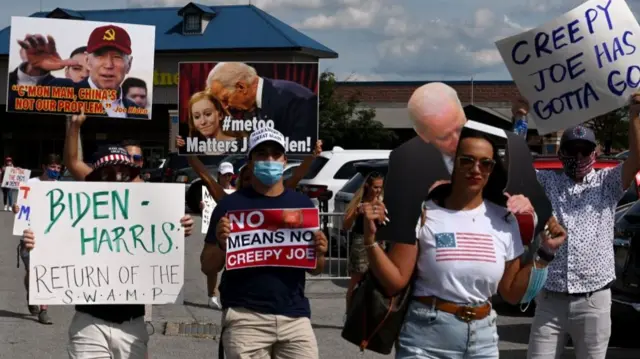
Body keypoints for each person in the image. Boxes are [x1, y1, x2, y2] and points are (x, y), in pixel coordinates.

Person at [362, 128, 568, 358]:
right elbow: (395, 282)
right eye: (467, 160)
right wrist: (370, 241)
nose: (476, 169)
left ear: (492, 169)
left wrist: (545, 252)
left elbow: (511, 293)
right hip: (426, 340)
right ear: (452, 163)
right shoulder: (424, 214)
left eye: (485, 163)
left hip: (482, 341)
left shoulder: (505, 221)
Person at [21, 144, 194, 359]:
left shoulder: (148, 209)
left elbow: (162, 236)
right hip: (89, 324)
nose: (116, 179)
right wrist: (35, 242)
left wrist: (179, 228)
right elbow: (55, 241)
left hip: (132, 325)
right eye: (108, 174)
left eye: (123, 174)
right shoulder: (80, 214)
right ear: (96, 179)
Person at [512, 95, 640, 359]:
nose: (579, 156)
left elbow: (637, 157)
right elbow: (517, 168)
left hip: (594, 301)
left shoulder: (608, 183)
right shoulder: (548, 182)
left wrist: (636, 114)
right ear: (561, 154)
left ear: (594, 152)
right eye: (572, 150)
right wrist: (520, 121)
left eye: (585, 149)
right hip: (550, 299)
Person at [201, 127, 328, 358]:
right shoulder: (230, 206)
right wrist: (221, 244)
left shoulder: (302, 205)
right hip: (245, 319)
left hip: (295, 317)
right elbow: (207, 267)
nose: (269, 160)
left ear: (284, 160)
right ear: (250, 162)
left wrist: (320, 253)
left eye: (275, 154)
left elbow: (316, 269)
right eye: (261, 154)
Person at [378, 82, 545, 247]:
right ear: (423, 135)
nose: (457, 140)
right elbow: (397, 226)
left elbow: (508, 180)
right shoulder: (406, 163)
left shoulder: (480, 145)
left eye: (459, 128)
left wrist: (520, 118)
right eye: (444, 137)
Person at [13, 25, 146, 118]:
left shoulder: (137, 112)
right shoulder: (62, 91)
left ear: (129, 64)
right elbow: (18, 105)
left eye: (117, 57)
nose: (109, 65)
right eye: (100, 56)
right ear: (88, 61)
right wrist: (34, 71)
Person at [207, 62, 317, 144]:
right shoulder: (248, 107)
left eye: (225, 99)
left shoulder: (296, 100)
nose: (225, 106)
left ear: (241, 87)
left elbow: (301, 151)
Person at [12, 153, 62, 324]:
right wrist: (16, 208)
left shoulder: (60, 187)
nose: (55, 170)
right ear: (44, 167)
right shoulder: (31, 184)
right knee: (32, 272)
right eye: (52, 167)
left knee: (44, 271)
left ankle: (43, 310)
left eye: (58, 168)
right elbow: (21, 207)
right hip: (29, 236)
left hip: (49, 237)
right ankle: (31, 295)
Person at [342, 171, 385, 309]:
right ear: (367, 186)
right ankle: (349, 314)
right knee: (355, 281)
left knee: (378, 281)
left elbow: (385, 224)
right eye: (375, 187)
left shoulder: (382, 202)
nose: (378, 191)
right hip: (360, 243)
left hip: (378, 243)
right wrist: (355, 214)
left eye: (380, 187)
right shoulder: (359, 202)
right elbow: (346, 226)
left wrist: (380, 213)